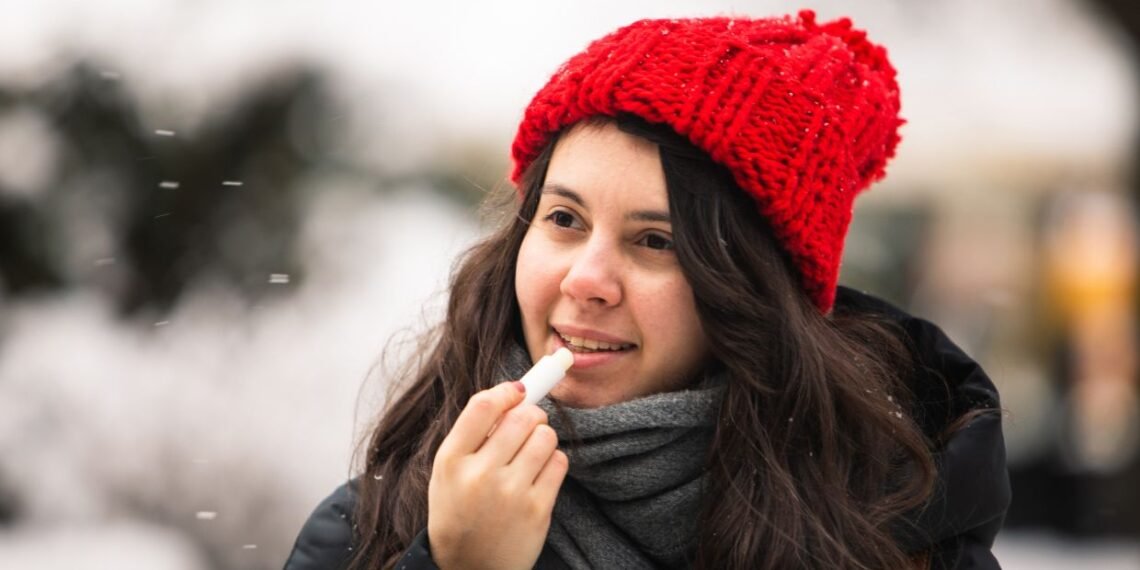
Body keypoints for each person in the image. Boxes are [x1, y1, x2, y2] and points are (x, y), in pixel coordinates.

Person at [285, 11, 1010, 570]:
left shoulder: (898, 534)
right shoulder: (378, 524)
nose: (586, 279)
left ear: (753, 299)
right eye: (565, 219)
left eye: (656, 241)